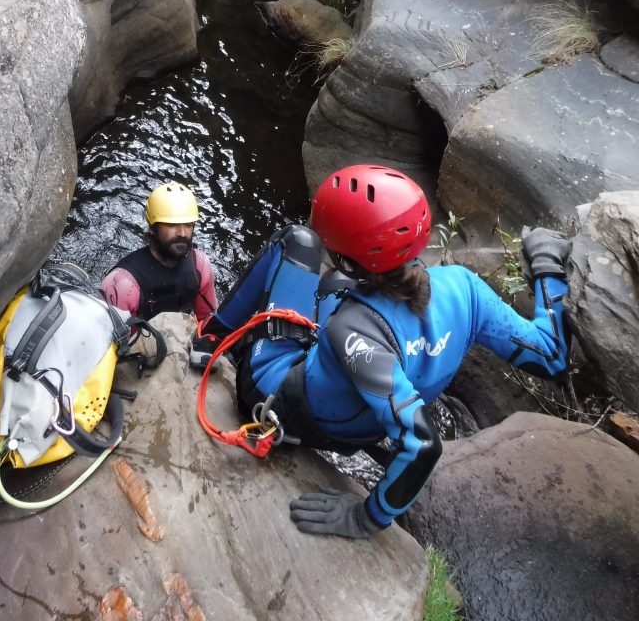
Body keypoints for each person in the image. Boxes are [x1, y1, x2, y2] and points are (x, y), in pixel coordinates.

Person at [197, 164, 571, 540]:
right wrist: (546, 263)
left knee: (297, 242)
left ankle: (211, 336)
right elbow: (551, 355)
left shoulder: (352, 330)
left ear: (350, 253)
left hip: (278, 399)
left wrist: (365, 518)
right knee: (333, 285)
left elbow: (422, 443)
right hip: (364, 421)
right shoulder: (465, 288)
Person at [101, 182, 218, 359]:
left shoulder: (200, 266)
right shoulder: (122, 284)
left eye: (188, 224)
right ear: (153, 229)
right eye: (172, 225)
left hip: (178, 342)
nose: (182, 233)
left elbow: (208, 323)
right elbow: (113, 350)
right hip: (139, 355)